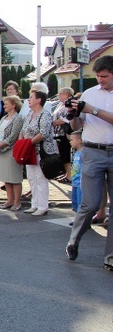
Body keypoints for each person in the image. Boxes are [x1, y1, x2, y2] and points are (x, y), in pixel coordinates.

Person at [64, 55, 113, 271]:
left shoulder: (91, 102)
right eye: (98, 76)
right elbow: (77, 124)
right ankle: (74, 241)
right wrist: (73, 114)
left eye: (104, 77)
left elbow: (97, 114)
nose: (100, 80)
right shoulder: (89, 93)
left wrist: (92, 110)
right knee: (90, 204)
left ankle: (110, 258)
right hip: (93, 151)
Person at [18, 88, 57, 216]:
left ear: (39, 100)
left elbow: (43, 133)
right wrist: (22, 143)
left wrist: (29, 143)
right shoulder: (30, 114)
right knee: (31, 177)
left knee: (40, 178)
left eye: (31, 97)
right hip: (30, 150)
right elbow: (23, 130)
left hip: (41, 150)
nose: (28, 100)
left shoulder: (45, 114)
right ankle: (34, 204)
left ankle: (43, 206)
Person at [0, 95, 25, 210]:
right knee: (6, 178)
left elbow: (13, 136)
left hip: (11, 151)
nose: (4, 105)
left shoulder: (18, 119)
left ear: (14, 105)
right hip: (1, 151)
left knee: (14, 178)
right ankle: (9, 200)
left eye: (6, 103)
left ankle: (17, 202)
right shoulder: (3, 118)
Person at [52, 87, 74, 182]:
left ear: (67, 94)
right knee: (62, 154)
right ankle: (66, 173)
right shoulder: (60, 104)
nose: (59, 95)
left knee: (66, 154)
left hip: (65, 133)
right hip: (58, 133)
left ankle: (70, 175)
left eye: (61, 93)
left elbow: (68, 118)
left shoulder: (70, 104)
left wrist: (58, 122)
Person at [68, 130, 83, 213]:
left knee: (81, 203)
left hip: (81, 183)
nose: (70, 142)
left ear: (80, 141)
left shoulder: (83, 154)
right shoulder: (76, 153)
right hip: (75, 182)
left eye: (72, 140)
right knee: (75, 202)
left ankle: (81, 221)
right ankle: (77, 219)